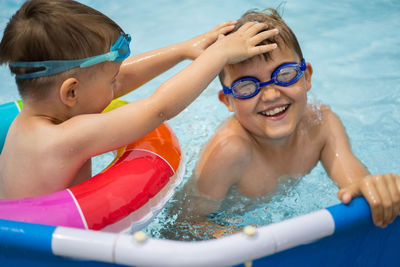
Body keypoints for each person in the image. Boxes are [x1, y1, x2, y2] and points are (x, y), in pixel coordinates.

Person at [0, 0, 279, 199]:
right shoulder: (62, 139)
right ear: (71, 92)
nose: (117, 84)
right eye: (111, 81)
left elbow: (122, 78)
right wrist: (219, 56)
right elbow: (158, 108)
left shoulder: (32, 122)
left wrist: (183, 50)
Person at [186, 8, 400, 229]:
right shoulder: (229, 151)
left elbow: (355, 183)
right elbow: (186, 224)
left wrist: (374, 187)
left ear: (305, 77)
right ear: (228, 101)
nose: (270, 95)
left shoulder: (321, 125)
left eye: (284, 74)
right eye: (247, 86)